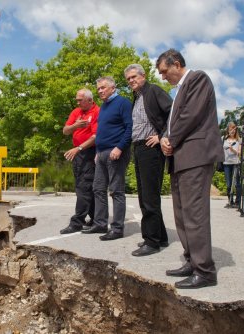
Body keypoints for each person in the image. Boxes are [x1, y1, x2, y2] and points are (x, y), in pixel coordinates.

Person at [157, 49, 224, 289]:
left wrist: (171, 139)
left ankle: (204, 271)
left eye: (165, 72)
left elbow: (190, 116)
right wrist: (165, 137)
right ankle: (191, 261)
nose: (164, 77)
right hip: (180, 158)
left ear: (176, 64)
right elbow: (174, 120)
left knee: (194, 215)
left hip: (196, 156)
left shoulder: (197, 79)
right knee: (182, 215)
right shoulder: (178, 92)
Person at [124, 64, 172, 256]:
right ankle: (160, 236)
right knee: (145, 194)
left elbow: (173, 112)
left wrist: (162, 136)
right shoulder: (136, 98)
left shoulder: (153, 91)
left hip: (151, 148)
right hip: (139, 148)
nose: (131, 81)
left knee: (149, 197)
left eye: (134, 76)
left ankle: (151, 242)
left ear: (143, 76)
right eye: (128, 79)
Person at [82, 76, 132, 241]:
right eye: (98, 89)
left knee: (116, 191)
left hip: (116, 152)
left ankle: (117, 228)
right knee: (98, 189)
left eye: (103, 88)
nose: (100, 91)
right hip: (102, 153)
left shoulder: (123, 103)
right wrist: (98, 151)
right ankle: (100, 223)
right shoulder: (104, 107)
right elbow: (102, 132)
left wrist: (120, 147)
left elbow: (129, 128)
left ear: (113, 87)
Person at [60, 88, 100, 234]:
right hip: (77, 153)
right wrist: (75, 126)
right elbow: (65, 130)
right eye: (76, 99)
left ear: (89, 100)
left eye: (80, 100)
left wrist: (80, 149)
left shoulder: (97, 112)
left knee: (83, 187)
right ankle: (96, 218)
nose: (77, 102)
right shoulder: (76, 112)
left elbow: (96, 136)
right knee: (83, 185)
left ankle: (77, 221)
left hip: (89, 152)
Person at [222, 122, 242, 208]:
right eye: (231, 129)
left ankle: (237, 202)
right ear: (228, 130)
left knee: (237, 183)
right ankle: (230, 201)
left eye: (234, 129)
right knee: (229, 184)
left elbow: (239, 153)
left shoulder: (239, 139)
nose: (232, 131)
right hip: (226, 163)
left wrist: (232, 150)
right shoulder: (223, 138)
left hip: (236, 163)